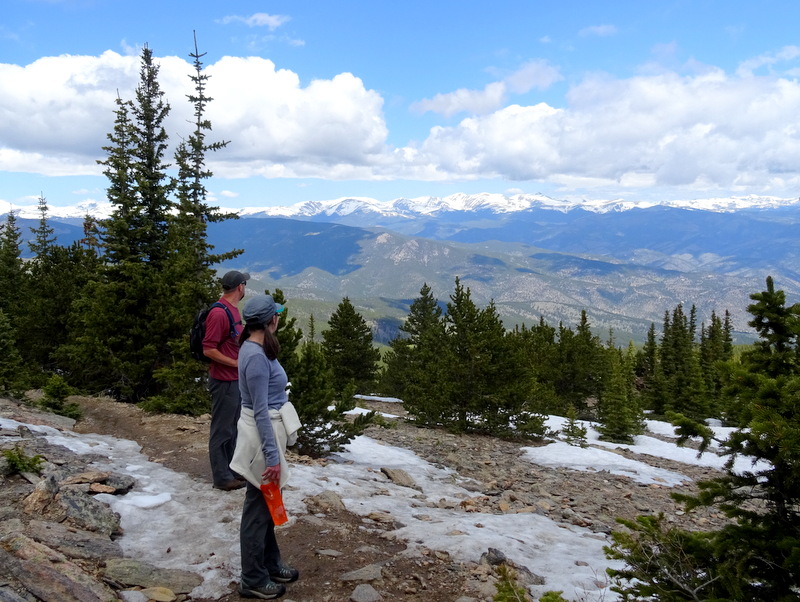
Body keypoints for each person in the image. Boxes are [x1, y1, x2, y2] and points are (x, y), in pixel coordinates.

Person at [230, 294, 301, 600]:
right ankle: (252, 578)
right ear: (270, 320)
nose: (279, 318)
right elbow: (260, 409)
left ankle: (269, 563)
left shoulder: (255, 347)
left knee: (265, 503)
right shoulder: (256, 357)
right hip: (263, 436)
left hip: (266, 432)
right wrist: (272, 456)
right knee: (257, 508)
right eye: (277, 315)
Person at [202, 270, 249, 491]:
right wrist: (236, 364)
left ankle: (231, 470)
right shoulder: (220, 313)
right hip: (224, 381)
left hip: (234, 381)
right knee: (222, 429)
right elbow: (208, 349)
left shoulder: (232, 310)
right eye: (245, 284)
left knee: (232, 427)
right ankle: (221, 477)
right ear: (240, 287)